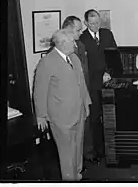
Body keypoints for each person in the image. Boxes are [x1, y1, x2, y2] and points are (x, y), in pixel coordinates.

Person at [33, 29, 91, 181]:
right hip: (60, 116)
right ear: (63, 44)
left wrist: (87, 103)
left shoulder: (74, 58)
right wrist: (41, 115)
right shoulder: (47, 62)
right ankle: (69, 180)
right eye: (73, 41)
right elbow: (39, 90)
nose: (75, 44)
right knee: (66, 152)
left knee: (77, 148)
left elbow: (81, 83)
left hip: (78, 111)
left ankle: (77, 176)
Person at [80, 9, 117, 164]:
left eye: (97, 23)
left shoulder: (107, 34)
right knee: (94, 119)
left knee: (110, 116)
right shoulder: (82, 39)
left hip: (108, 81)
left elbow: (114, 54)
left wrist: (108, 72)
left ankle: (110, 149)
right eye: (92, 23)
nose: (95, 26)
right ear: (86, 23)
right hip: (92, 85)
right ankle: (96, 150)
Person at [61, 16, 89, 90]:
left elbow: (85, 70)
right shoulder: (59, 50)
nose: (81, 32)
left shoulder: (81, 45)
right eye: (78, 30)